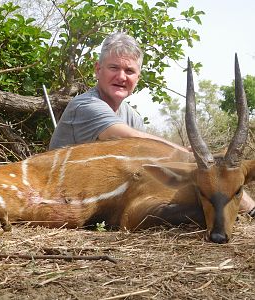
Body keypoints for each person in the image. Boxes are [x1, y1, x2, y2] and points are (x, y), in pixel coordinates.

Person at [49, 32, 255, 216]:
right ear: (98, 69)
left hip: (103, 197)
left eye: (129, 71)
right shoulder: (85, 105)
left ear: (138, 77)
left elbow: (146, 162)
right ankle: (247, 208)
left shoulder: (132, 116)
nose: (121, 76)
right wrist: (194, 158)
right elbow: (129, 138)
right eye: (114, 68)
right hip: (61, 197)